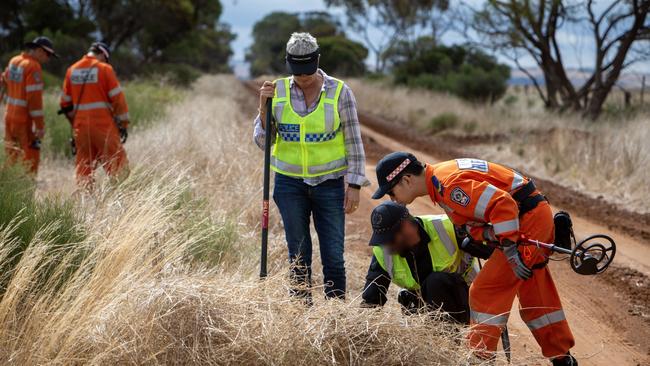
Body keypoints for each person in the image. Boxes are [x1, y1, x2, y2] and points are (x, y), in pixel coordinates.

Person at [371, 152, 577, 365]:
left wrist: (509, 249)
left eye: (391, 192)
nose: (392, 199)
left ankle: (479, 358)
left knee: (484, 291)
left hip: (527, 222)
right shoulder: (441, 179)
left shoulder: (448, 186)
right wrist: (485, 236)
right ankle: (562, 358)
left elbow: (503, 204)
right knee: (534, 289)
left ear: (406, 179)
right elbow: (477, 219)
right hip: (530, 217)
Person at [253, 32, 369, 301]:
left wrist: (354, 185)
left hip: (329, 184)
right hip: (289, 184)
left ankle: (335, 314)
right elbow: (263, 142)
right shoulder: (276, 91)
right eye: (297, 71)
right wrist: (262, 107)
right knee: (298, 253)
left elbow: (354, 141)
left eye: (308, 70)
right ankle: (300, 312)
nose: (303, 78)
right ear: (288, 63)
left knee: (333, 255)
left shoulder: (340, 92)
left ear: (317, 60)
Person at [362, 201, 488, 323]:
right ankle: (428, 339)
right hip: (421, 308)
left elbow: (493, 251)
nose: (387, 245)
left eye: (389, 238)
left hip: (466, 300)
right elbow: (372, 297)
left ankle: (446, 340)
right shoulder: (382, 250)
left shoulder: (448, 227)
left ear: (406, 226)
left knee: (435, 281)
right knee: (408, 297)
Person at [59, 42, 129, 189]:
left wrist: (76, 123)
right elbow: (118, 99)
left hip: (81, 127)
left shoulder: (72, 70)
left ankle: (86, 203)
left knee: (84, 167)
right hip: (103, 126)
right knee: (119, 166)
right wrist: (124, 123)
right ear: (103, 54)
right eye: (106, 58)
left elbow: (65, 104)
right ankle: (122, 202)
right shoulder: (104, 69)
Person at [2, 36, 58, 174]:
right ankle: (26, 191)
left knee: (11, 158)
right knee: (29, 161)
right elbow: (34, 101)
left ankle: (7, 188)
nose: (48, 58)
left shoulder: (14, 61)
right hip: (24, 121)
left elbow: (3, 81)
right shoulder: (33, 67)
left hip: (9, 117)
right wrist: (39, 126)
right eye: (48, 54)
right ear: (39, 50)